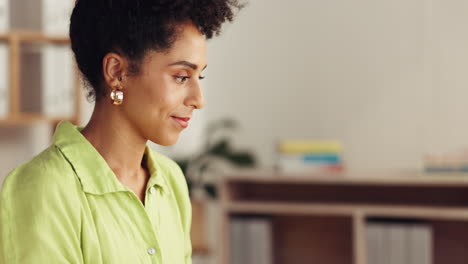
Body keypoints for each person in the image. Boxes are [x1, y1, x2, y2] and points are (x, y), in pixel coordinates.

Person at [0, 0, 242, 263]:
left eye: (200, 77)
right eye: (181, 76)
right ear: (117, 72)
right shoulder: (43, 188)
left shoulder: (170, 181)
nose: (198, 99)